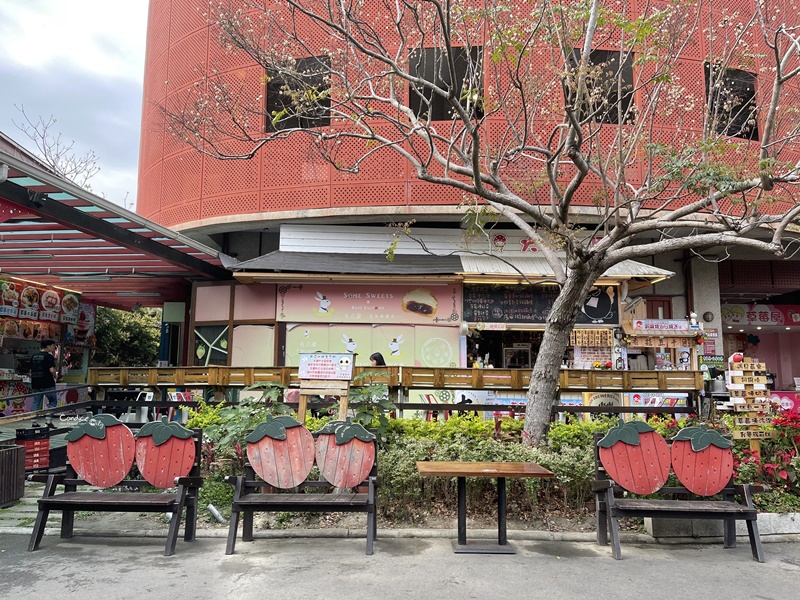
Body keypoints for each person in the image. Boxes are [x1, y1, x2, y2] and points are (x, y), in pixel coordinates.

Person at [30, 339, 58, 428]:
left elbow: (30, 371)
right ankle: (48, 421)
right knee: (53, 401)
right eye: (53, 345)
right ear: (48, 346)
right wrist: (55, 376)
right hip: (47, 382)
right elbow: (52, 370)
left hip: (36, 383)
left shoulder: (34, 356)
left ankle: (34, 423)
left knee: (36, 402)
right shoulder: (48, 356)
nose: (54, 347)